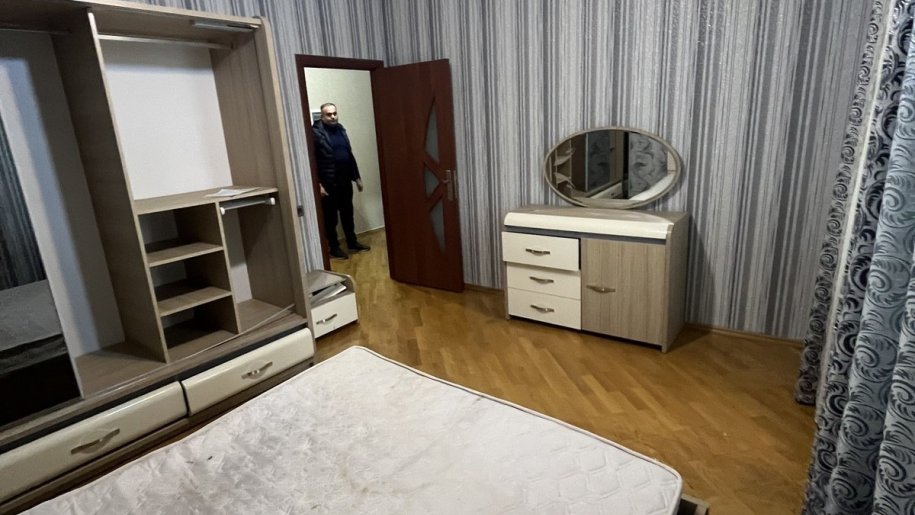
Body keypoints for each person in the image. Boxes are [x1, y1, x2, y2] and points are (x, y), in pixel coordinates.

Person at [312, 102, 371, 260]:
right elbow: (311, 161)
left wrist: (357, 177)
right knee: (330, 218)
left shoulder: (341, 129)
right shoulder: (315, 133)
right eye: (328, 114)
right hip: (329, 182)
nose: (333, 117)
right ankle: (334, 248)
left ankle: (352, 242)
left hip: (345, 180)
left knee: (347, 214)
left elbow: (349, 155)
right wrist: (318, 184)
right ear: (322, 116)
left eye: (334, 113)